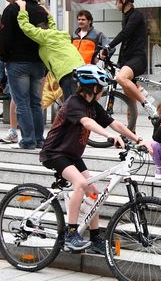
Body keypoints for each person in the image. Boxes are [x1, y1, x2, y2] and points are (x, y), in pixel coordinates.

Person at [40, 64, 147, 252]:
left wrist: (138, 139)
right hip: (55, 153)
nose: (104, 90)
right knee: (80, 184)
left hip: (72, 155)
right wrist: (108, 137)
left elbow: (115, 124)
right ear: (93, 87)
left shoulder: (93, 105)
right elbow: (87, 123)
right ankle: (70, 234)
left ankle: (95, 237)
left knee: (93, 194)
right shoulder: (73, 103)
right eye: (102, 87)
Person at [0, 0, 48, 150]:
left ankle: (27, 140)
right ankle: (39, 139)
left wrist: (4, 58)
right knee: (36, 102)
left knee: (22, 103)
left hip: (18, 62)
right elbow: (47, 37)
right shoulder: (41, 10)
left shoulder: (11, 9)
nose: (7, 0)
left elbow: (4, 37)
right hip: (39, 63)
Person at [15, 0, 84, 100]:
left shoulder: (44, 36)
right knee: (78, 102)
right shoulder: (56, 34)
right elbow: (52, 23)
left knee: (72, 105)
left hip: (67, 73)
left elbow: (25, 26)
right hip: (79, 68)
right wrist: (44, 9)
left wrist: (22, 7)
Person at [103, 0, 156, 118]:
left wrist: (108, 46)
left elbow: (125, 34)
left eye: (117, 0)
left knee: (121, 78)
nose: (115, 3)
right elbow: (126, 42)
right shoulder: (126, 16)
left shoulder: (136, 15)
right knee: (130, 103)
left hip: (137, 59)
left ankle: (146, 103)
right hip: (127, 61)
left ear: (124, 1)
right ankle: (131, 134)